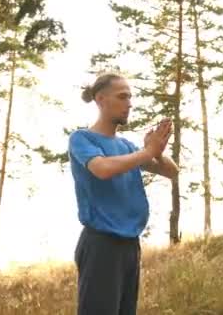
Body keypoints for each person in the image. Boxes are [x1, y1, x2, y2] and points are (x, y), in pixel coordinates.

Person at [68, 73, 179, 315]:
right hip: (101, 245)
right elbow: (103, 169)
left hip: (129, 245)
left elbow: (171, 171)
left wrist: (157, 152)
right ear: (101, 100)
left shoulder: (126, 146)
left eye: (130, 97)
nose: (129, 103)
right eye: (122, 97)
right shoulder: (81, 139)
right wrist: (148, 151)